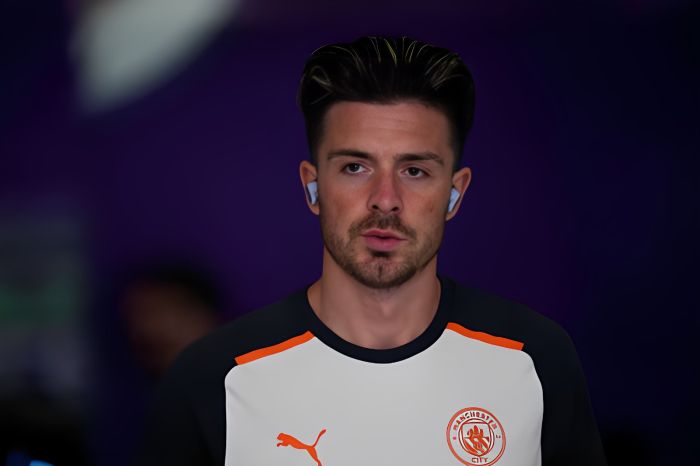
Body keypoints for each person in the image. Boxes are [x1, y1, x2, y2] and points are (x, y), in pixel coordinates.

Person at [137, 36, 606, 466]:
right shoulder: (213, 377)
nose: (385, 199)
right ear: (312, 187)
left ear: (455, 193)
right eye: (356, 167)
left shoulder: (534, 359)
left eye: (415, 171)